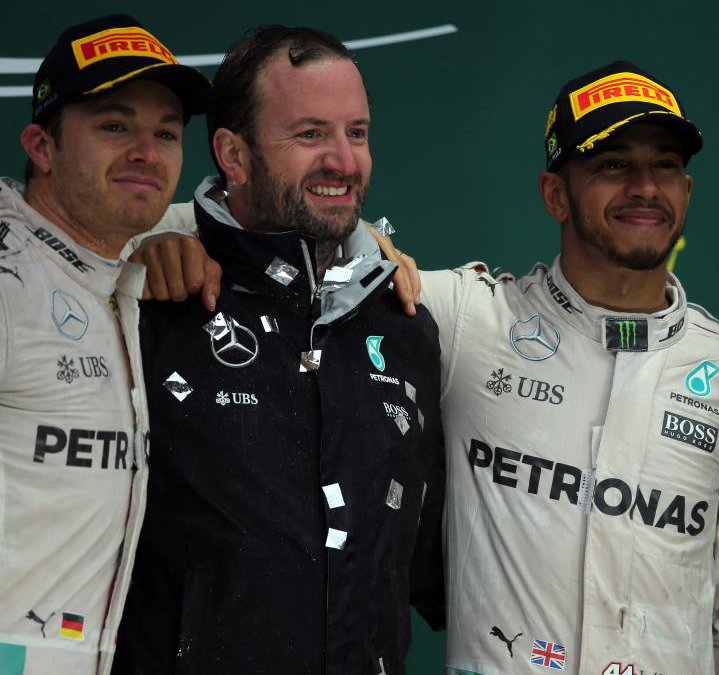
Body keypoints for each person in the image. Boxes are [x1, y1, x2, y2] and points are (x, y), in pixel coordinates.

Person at [134, 59, 719, 674]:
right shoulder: (464, 317)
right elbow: (290, 245)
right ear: (554, 194)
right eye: (613, 164)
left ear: (688, 188)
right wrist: (167, 235)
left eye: (665, 166)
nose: (644, 187)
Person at [108, 26, 445, 675]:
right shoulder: (147, 304)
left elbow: (428, 564)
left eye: (357, 133)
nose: (343, 161)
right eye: (311, 134)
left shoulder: (407, 326)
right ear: (233, 155)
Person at [0, 13, 210, 675]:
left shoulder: (104, 274)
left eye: (166, 133)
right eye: (114, 126)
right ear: (42, 147)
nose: (146, 152)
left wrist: (368, 244)